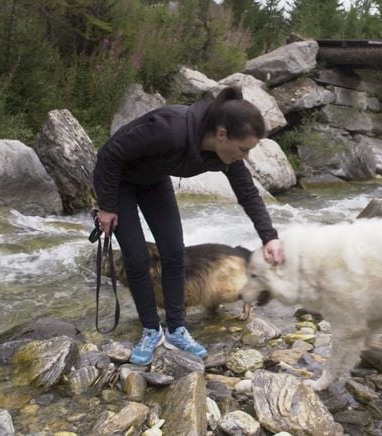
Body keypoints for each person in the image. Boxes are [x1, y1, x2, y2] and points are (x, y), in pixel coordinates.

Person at [93, 86, 284, 365]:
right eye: (243, 149)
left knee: (174, 253)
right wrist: (107, 205)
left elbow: (248, 193)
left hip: (153, 180)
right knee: (136, 258)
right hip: (119, 181)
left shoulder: (224, 155)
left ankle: (175, 329)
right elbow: (111, 154)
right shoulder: (170, 128)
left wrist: (270, 238)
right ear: (221, 134)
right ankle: (150, 331)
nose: (245, 156)